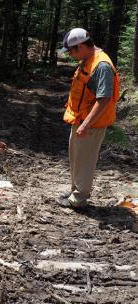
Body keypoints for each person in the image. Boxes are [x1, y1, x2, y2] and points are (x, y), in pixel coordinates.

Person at [57, 28, 120, 208]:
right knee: (76, 156)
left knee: (85, 159)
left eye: (71, 51)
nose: (70, 55)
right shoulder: (87, 60)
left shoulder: (102, 66)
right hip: (80, 119)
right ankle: (75, 189)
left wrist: (86, 124)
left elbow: (104, 99)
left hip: (91, 123)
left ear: (82, 46)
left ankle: (79, 198)